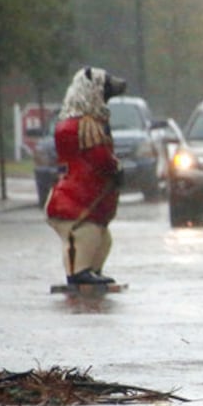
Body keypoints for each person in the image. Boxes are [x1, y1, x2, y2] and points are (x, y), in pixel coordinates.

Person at [45, 66, 126, 286]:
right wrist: (113, 167)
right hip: (75, 203)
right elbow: (98, 156)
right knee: (83, 235)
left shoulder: (89, 124)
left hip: (89, 202)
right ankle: (77, 273)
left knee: (102, 238)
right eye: (106, 86)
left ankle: (92, 270)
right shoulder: (82, 127)